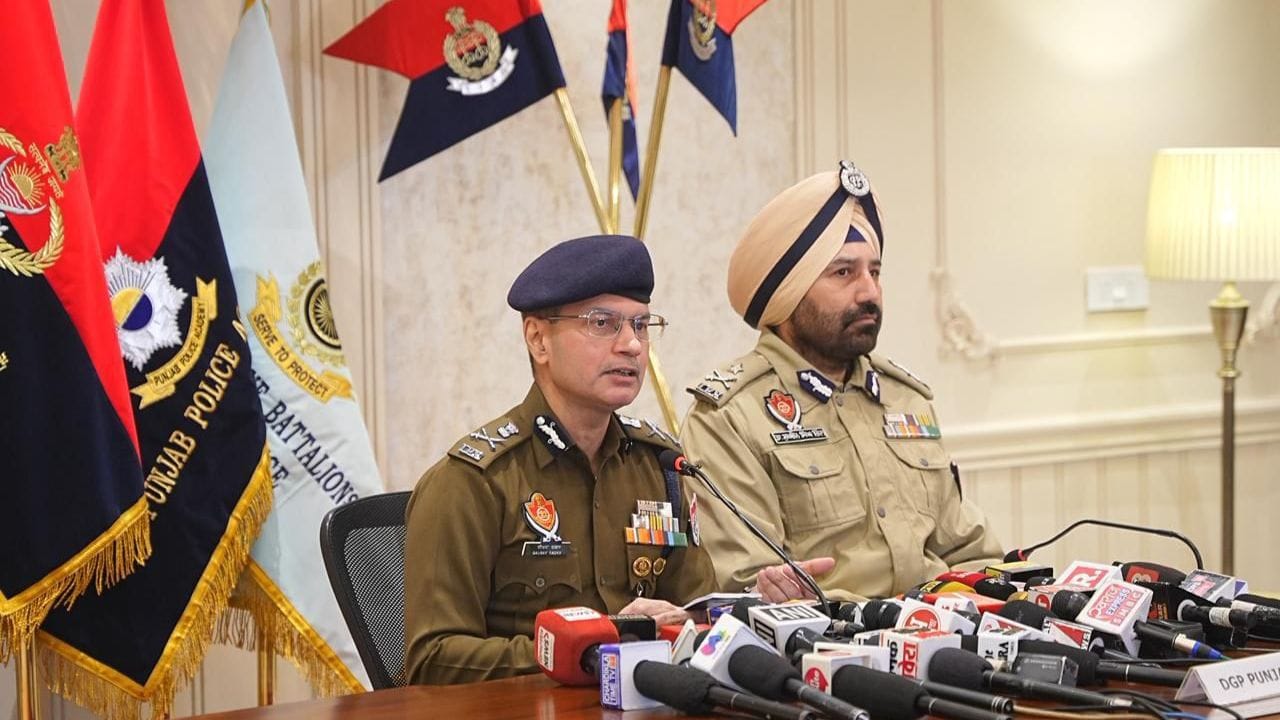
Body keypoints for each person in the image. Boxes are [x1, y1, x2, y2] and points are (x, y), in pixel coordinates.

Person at [680, 161, 1003, 603]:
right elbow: (753, 587)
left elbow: (970, 552)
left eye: (875, 272)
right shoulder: (730, 418)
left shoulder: (906, 400)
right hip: (830, 641)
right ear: (789, 293)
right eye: (843, 273)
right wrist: (904, 620)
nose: (869, 292)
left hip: (944, 632)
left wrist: (1005, 596)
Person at [405, 234, 716, 685]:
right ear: (539, 340)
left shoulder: (659, 468)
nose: (632, 345)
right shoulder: (474, 482)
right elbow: (433, 660)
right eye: (603, 323)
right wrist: (592, 645)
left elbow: (697, 614)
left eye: (641, 325)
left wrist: (737, 610)